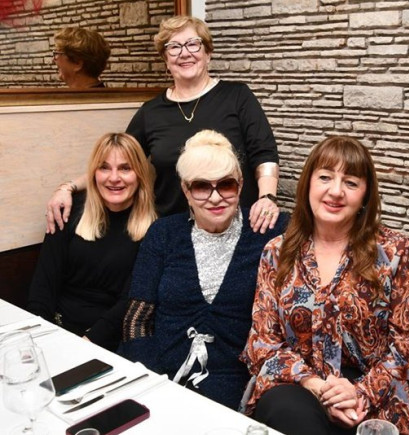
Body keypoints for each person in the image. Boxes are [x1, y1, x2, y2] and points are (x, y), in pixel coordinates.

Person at [241, 136, 409, 435]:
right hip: (299, 386)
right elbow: (263, 342)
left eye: (351, 182)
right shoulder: (277, 252)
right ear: (308, 184)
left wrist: (360, 393)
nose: (336, 191)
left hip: (374, 396)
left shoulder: (396, 253)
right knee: (288, 410)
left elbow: (405, 348)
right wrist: (316, 386)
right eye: (325, 177)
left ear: (365, 195)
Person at [46, 16, 280, 235]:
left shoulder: (237, 96)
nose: (184, 53)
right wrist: (68, 188)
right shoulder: (151, 112)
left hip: (237, 227)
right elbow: (116, 163)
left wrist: (267, 197)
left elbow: (264, 154)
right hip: (174, 232)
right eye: (174, 47)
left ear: (208, 53)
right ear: (166, 60)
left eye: (193, 44)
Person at [119, 130, 288, 410]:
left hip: (234, 384)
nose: (215, 197)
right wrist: (152, 379)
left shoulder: (268, 231)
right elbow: (136, 321)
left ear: (240, 185)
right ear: (186, 190)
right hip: (159, 373)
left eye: (226, 185)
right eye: (201, 186)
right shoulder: (163, 233)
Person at [27, 133, 156, 351]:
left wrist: (87, 344)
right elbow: (43, 286)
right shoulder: (67, 213)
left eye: (125, 168)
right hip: (56, 330)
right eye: (104, 168)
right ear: (93, 173)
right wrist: (37, 337)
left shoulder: (156, 230)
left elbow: (130, 301)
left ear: (140, 174)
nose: (114, 178)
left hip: (111, 341)